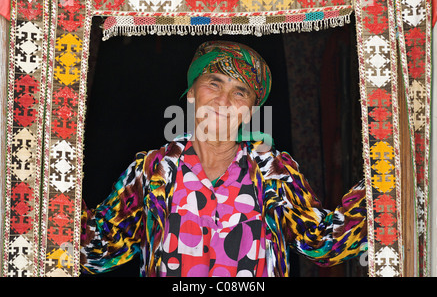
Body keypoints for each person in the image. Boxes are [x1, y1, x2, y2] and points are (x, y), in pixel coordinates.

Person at [80, 41, 367, 277]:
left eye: (239, 92)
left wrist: (382, 183)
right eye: (214, 84)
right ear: (192, 93)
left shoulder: (273, 174)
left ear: (251, 111)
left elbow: (325, 241)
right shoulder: (154, 171)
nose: (224, 101)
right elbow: (99, 250)